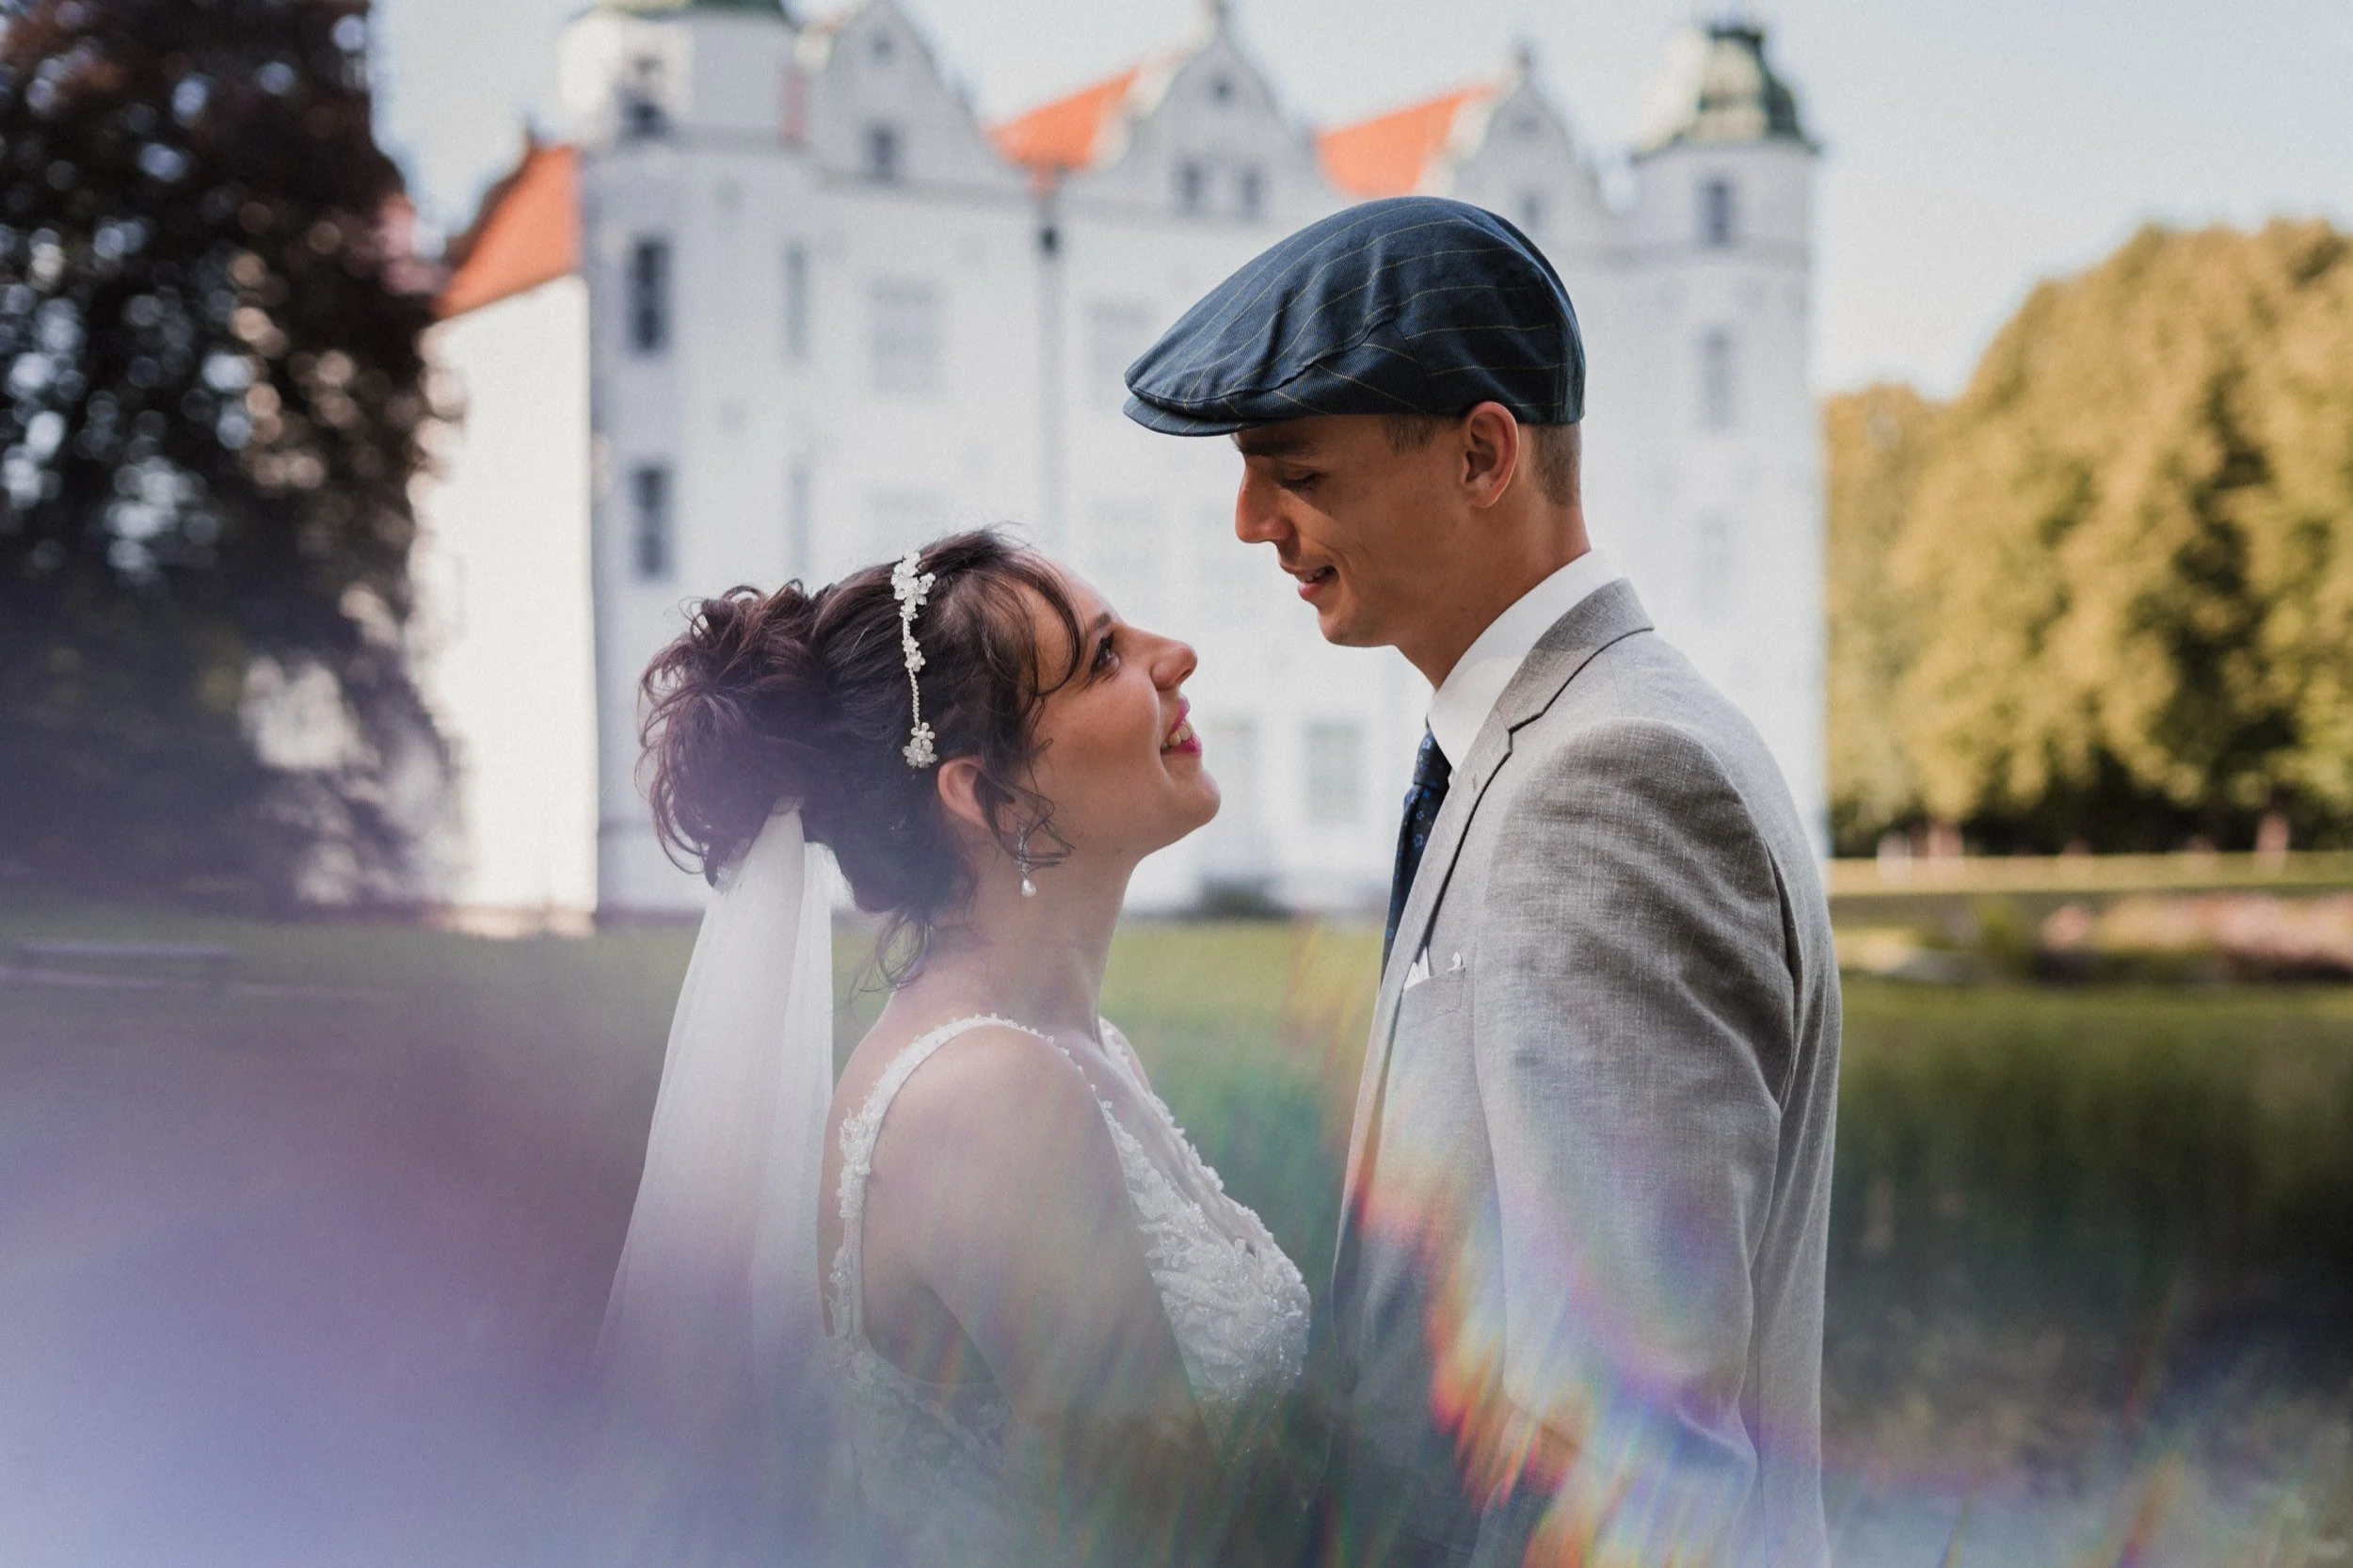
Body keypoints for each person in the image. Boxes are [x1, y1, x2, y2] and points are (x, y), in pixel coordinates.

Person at [1125, 197, 1842, 1566]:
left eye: (1297, 471)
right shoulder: (1531, 749)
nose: (1250, 521)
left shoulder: (1610, 779)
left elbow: (1635, 1464)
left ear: (1482, 454)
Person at [598, 530, 1309, 1567]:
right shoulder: (983, 1097)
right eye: (1104, 657)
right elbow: (1175, 1531)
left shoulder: (1073, 1050)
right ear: (984, 794)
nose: (1176, 656)